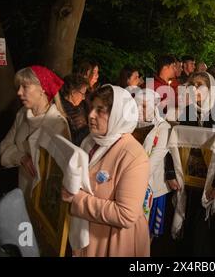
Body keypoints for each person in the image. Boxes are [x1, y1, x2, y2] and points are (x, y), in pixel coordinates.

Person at [61, 85, 150, 257]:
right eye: (92, 108)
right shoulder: (91, 140)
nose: (91, 115)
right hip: (89, 232)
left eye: (100, 110)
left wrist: (76, 199)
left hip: (113, 241)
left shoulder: (134, 156)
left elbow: (126, 214)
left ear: (119, 115)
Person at [165, 72, 215, 256]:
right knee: (190, 223)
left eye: (199, 84)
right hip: (191, 179)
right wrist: (171, 173)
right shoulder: (187, 111)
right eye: (192, 84)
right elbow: (175, 144)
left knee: (208, 228)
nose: (194, 88)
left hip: (214, 179)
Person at [0, 65, 70, 197]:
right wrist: (22, 157)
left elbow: (58, 173)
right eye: (19, 87)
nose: (19, 92)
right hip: (22, 190)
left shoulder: (57, 124)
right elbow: (4, 146)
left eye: (25, 87)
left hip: (42, 199)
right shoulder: (22, 114)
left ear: (42, 89)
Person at [133, 89, 171, 239]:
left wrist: (131, 180)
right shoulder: (129, 125)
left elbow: (154, 159)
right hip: (131, 184)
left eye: (144, 106)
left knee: (145, 234)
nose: (140, 110)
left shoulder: (163, 128)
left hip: (152, 187)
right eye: (137, 105)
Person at [60, 74, 90, 146]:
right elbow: (71, 141)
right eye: (83, 94)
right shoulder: (62, 110)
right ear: (73, 92)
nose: (83, 98)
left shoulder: (80, 105)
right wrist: (90, 127)